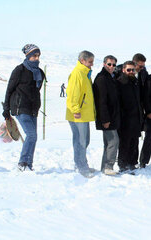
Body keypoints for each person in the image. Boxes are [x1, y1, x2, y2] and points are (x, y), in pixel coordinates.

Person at [2, 44, 45, 171]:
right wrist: (6, 109)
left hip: (33, 109)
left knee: (33, 136)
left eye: (38, 56)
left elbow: (36, 91)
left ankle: (29, 165)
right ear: (28, 56)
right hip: (20, 107)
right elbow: (9, 89)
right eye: (34, 56)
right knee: (31, 135)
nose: (37, 58)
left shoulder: (40, 73)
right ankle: (23, 163)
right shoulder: (19, 70)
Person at [66, 50, 96, 178]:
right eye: (90, 62)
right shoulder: (77, 73)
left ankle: (81, 163)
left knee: (84, 140)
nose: (92, 64)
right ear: (82, 61)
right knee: (81, 140)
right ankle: (81, 167)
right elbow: (72, 93)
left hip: (84, 113)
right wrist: (75, 109)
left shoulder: (85, 73)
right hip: (77, 114)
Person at [93, 55, 120, 175]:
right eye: (109, 64)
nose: (111, 67)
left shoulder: (110, 77)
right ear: (104, 64)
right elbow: (101, 101)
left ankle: (104, 168)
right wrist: (104, 119)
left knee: (108, 143)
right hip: (107, 118)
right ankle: (108, 166)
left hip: (112, 116)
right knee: (114, 141)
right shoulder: (102, 78)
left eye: (114, 65)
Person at [117, 61, 144, 171]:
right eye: (129, 70)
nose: (131, 72)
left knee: (134, 141)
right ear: (124, 70)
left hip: (136, 117)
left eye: (133, 70)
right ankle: (122, 164)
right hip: (125, 118)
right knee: (125, 142)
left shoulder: (135, 82)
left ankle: (132, 162)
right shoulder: (120, 83)